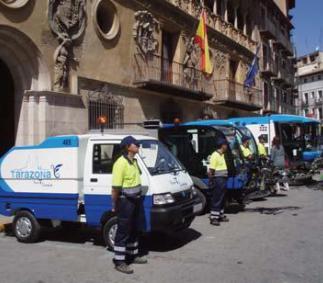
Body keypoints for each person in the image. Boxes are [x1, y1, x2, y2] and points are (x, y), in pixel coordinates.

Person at [112, 136, 147, 274]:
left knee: (134, 228)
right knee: (123, 231)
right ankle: (119, 261)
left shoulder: (134, 161)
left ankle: (132, 255)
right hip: (125, 201)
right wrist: (114, 204)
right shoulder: (120, 163)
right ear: (128, 147)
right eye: (135, 144)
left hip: (136, 200)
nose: (138, 145)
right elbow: (115, 188)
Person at [208, 138, 229, 226]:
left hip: (223, 179)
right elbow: (211, 170)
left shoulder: (222, 154)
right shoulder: (215, 155)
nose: (227, 146)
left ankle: (220, 214)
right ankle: (214, 217)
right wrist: (211, 181)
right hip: (218, 179)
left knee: (222, 198)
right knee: (217, 198)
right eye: (226, 145)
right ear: (222, 145)